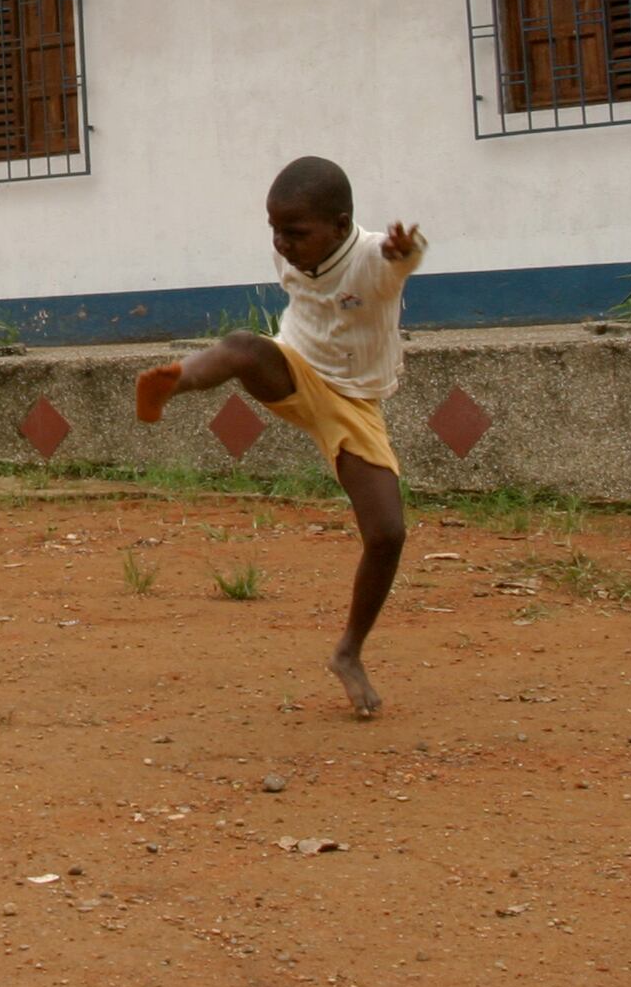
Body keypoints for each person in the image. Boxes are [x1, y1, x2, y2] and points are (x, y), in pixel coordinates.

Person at [135, 156, 422, 720]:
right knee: (243, 345)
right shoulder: (291, 249)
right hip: (294, 368)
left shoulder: (370, 257)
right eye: (275, 232)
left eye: (295, 233)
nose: (283, 245)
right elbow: (298, 274)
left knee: (387, 533)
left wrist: (402, 252)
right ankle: (175, 382)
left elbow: (398, 265)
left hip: (354, 404)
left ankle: (349, 652)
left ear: (341, 226)